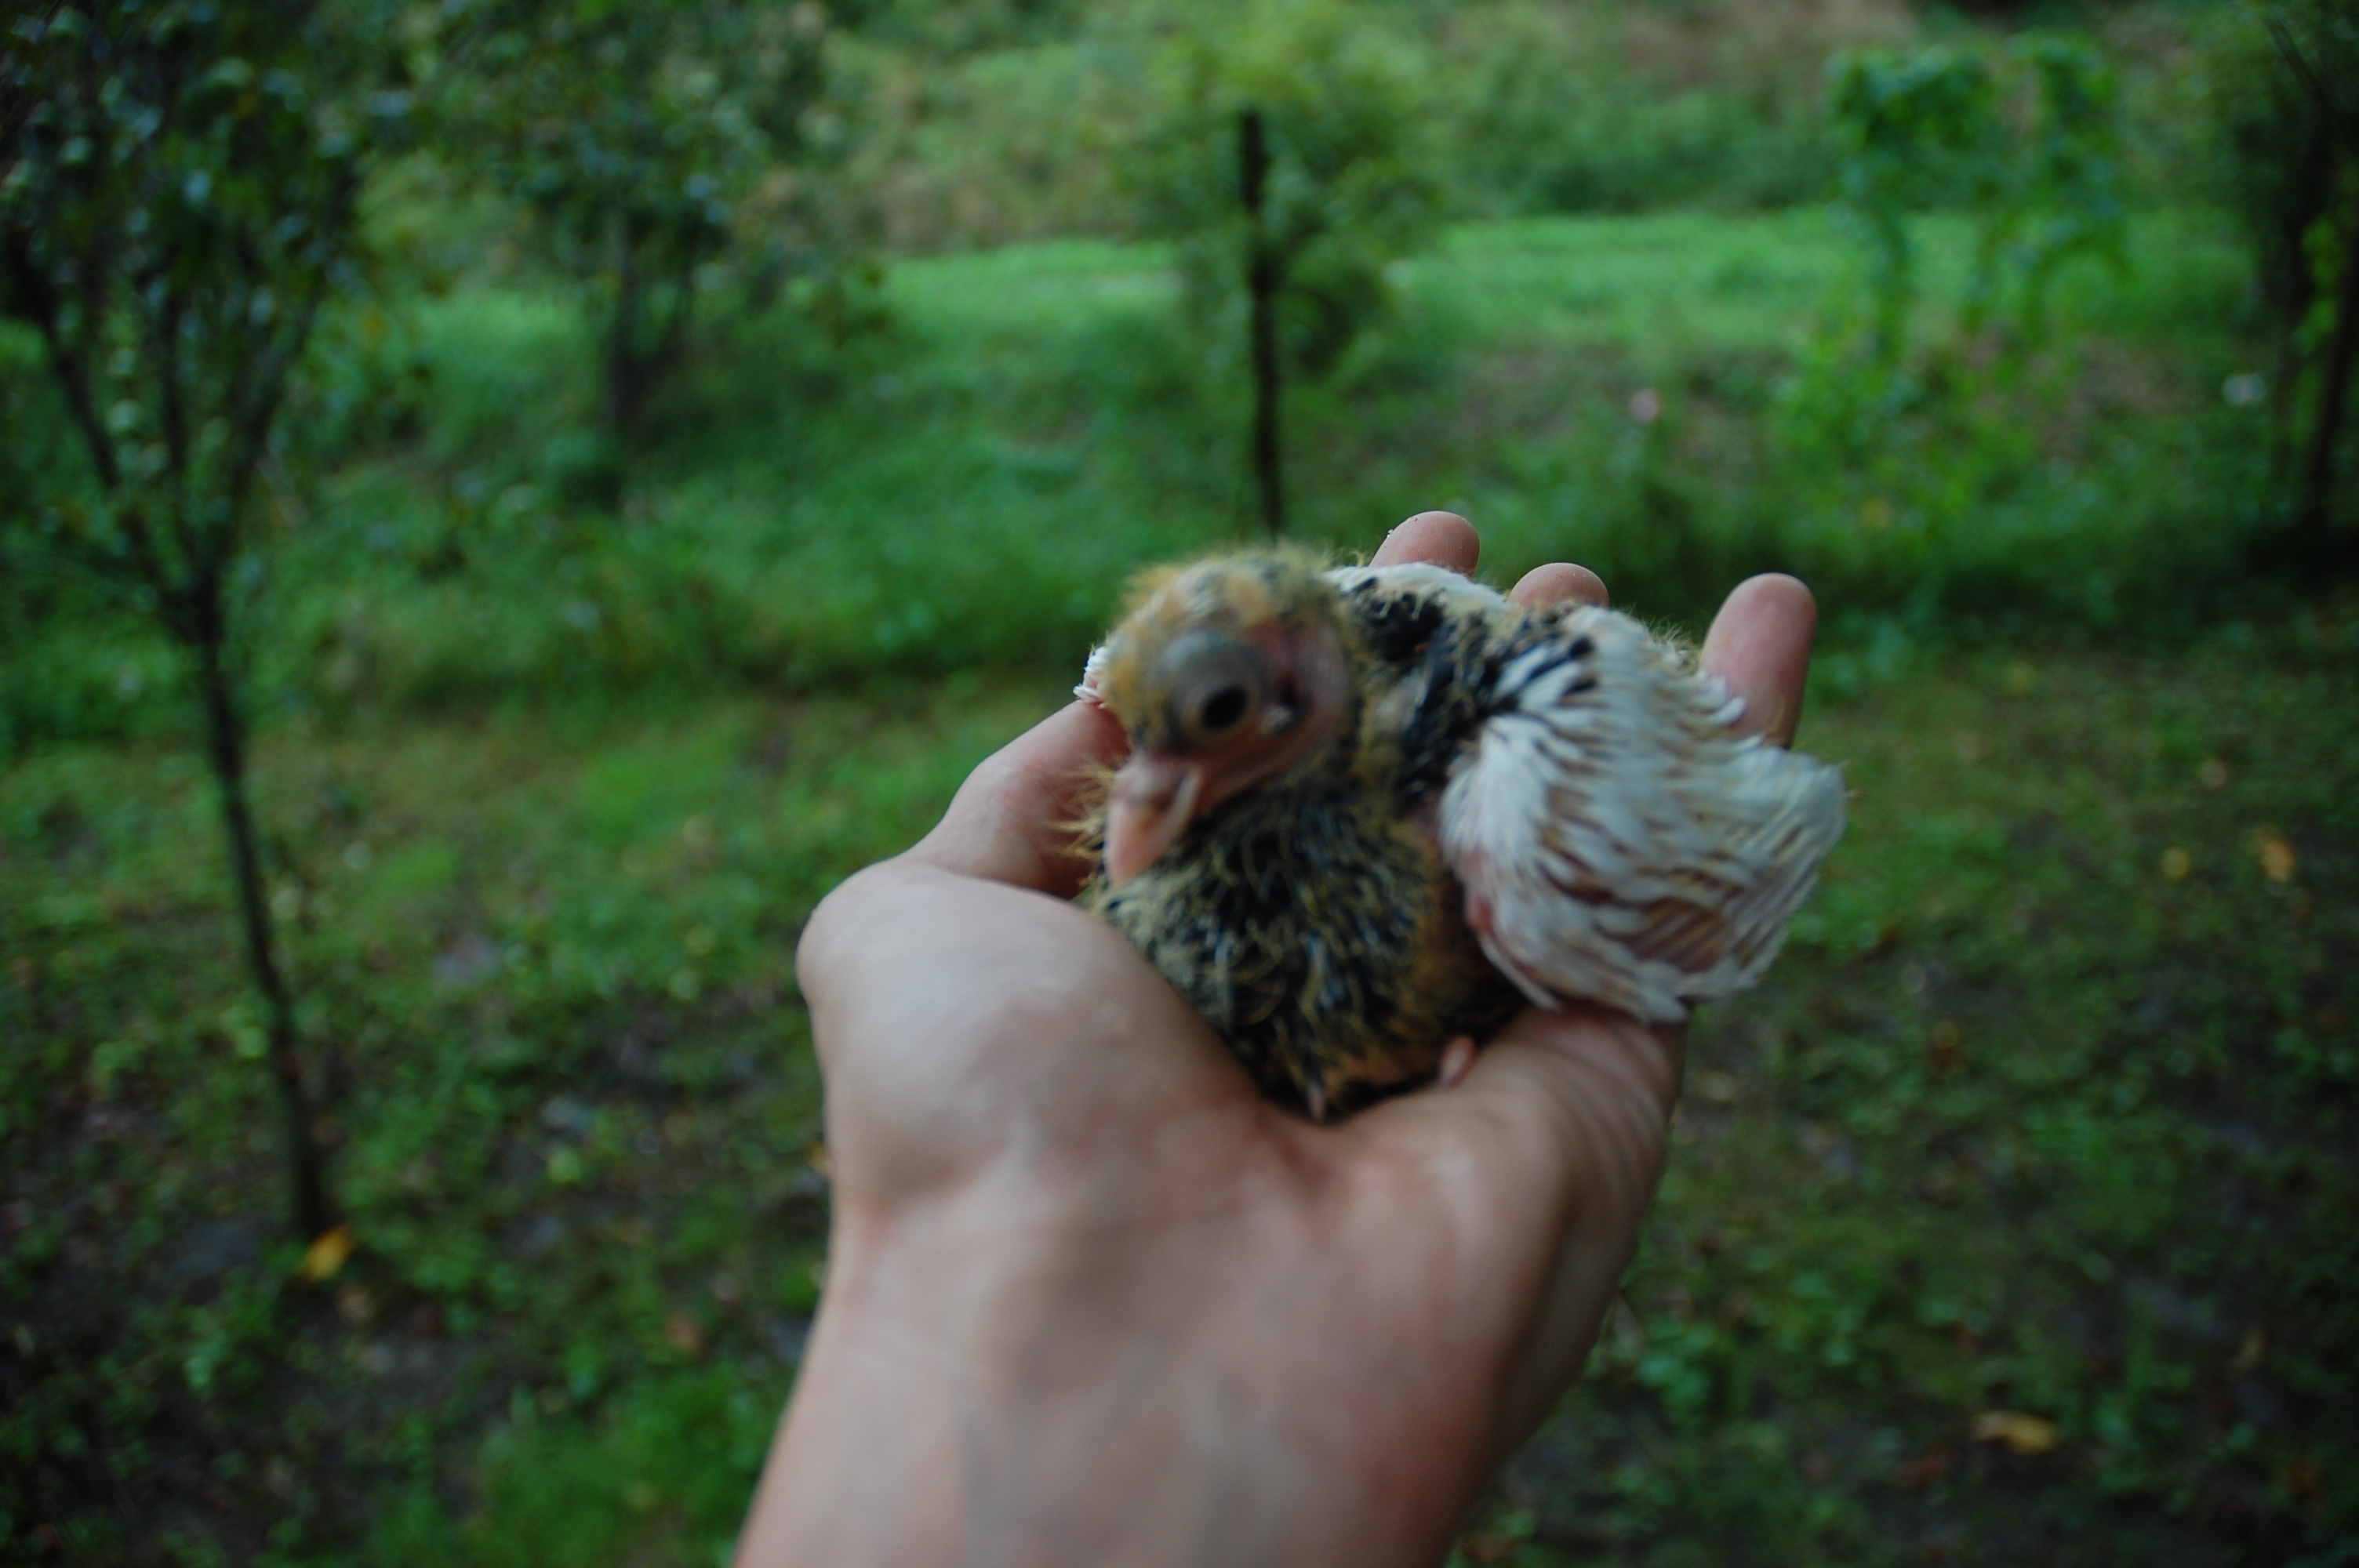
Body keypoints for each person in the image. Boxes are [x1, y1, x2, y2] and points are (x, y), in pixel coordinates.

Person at [733, 514, 1820, 1566]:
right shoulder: (1204, 753)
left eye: (1207, 724)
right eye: (1153, 744)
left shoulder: (1516, 821)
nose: (1133, 799)